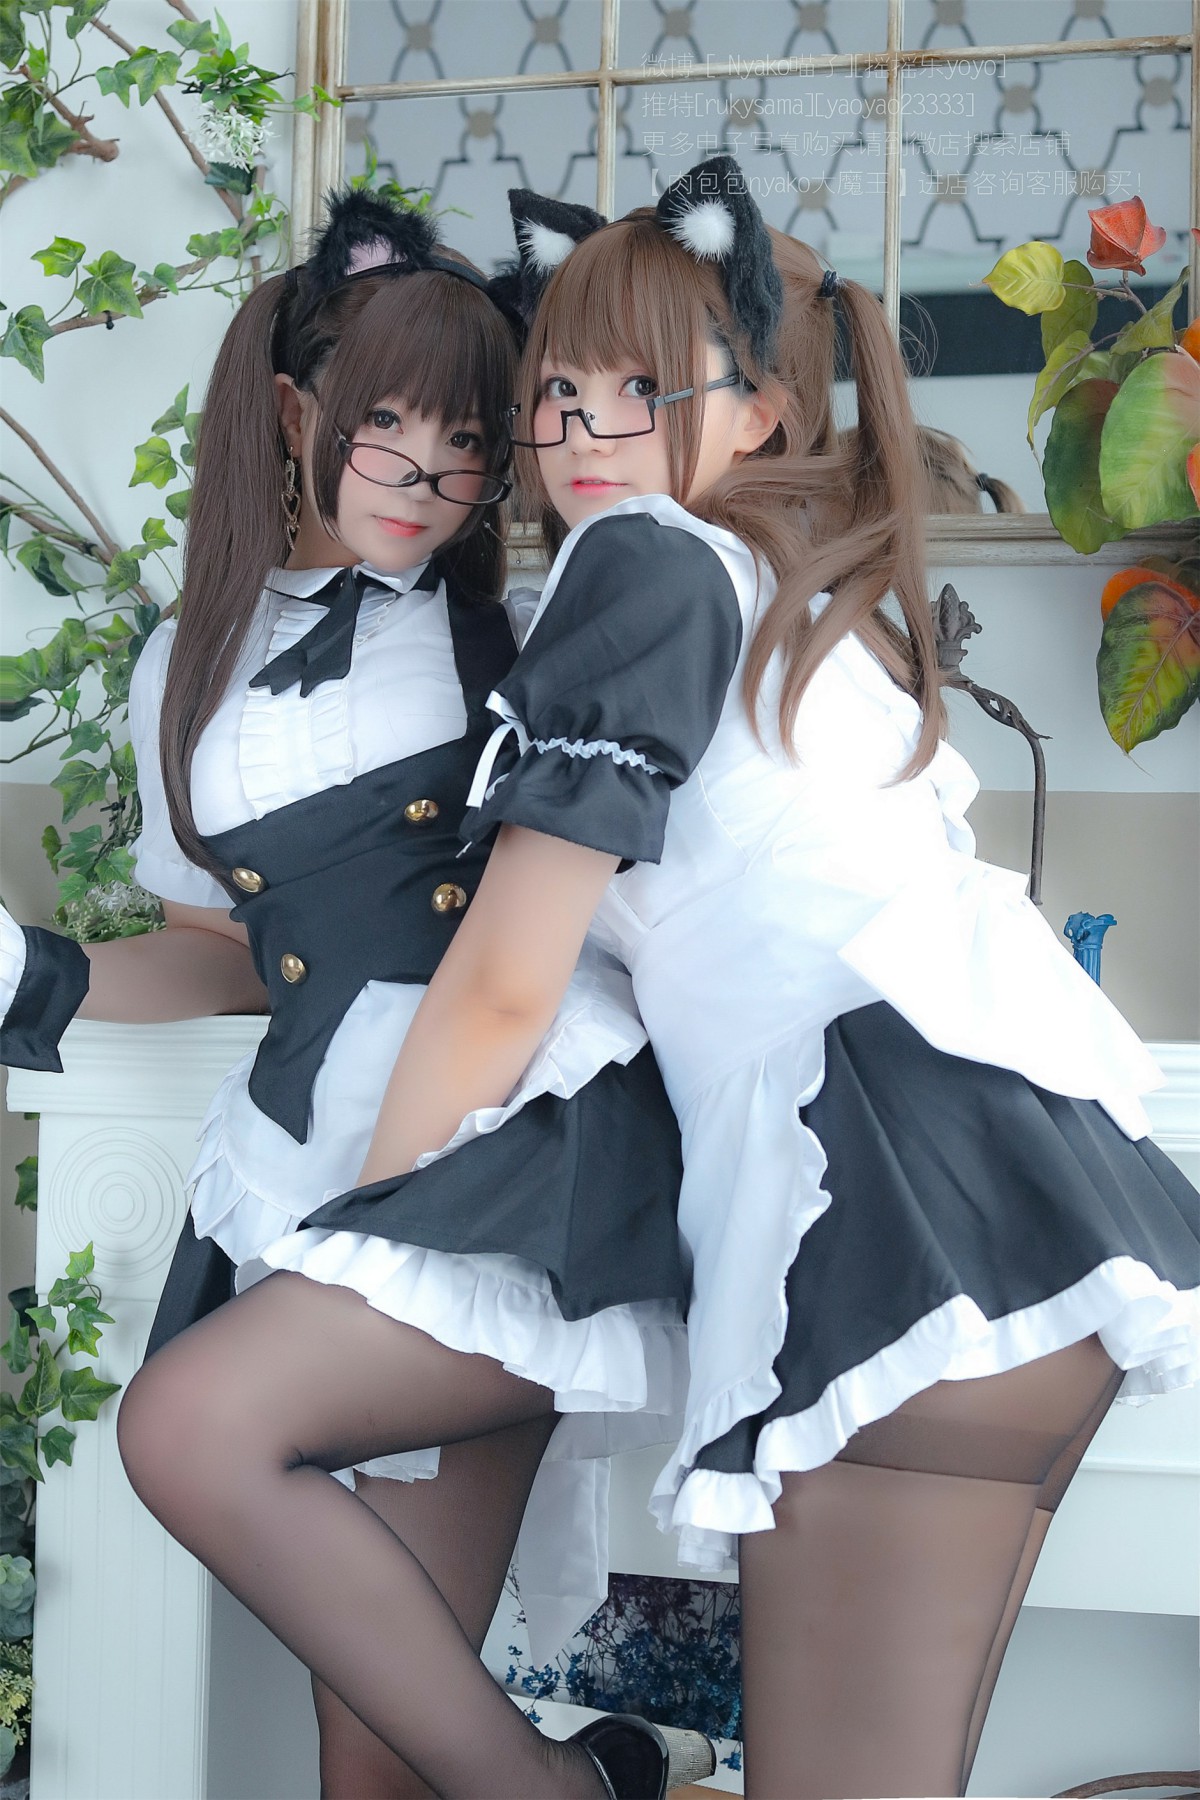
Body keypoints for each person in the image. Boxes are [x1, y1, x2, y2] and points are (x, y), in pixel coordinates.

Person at [293, 161, 1199, 1798]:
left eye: (639, 388)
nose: (581, 431)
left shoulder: (645, 558)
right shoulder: (808, 605)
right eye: (557, 389)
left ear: (766, 410)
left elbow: (506, 984)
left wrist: (374, 1241)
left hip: (883, 1205)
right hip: (1028, 1206)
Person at [0, 191, 713, 1800]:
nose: (427, 472)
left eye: (465, 437)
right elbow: (226, 951)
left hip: (507, 1142)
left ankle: (566, 1789)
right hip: (312, 1149)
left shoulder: (517, 637)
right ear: (291, 411)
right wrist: (38, 976)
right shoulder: (182, 664)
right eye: (384, 422)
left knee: (195, 1440)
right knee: (370, 1757)